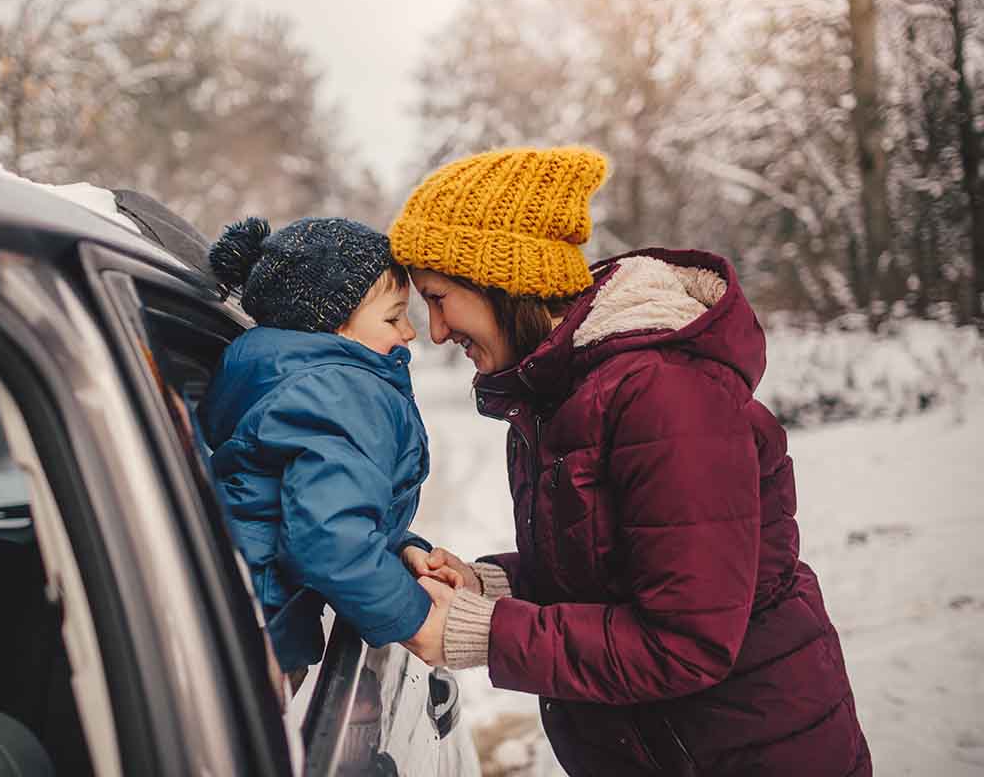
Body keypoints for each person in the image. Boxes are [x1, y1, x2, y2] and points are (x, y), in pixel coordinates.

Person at [390, 148, 872, 776]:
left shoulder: (665, 394)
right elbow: (612, 570)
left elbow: (685, 641)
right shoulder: (554, 397)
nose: (435, 331)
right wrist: (490, 587)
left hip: (744, 751)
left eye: (439, 298)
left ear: (500, 281)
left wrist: (489, 631)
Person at [198, 216, 458, 694]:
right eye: (393, 316)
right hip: (261, 629)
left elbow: (308, 502)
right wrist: (417, 621)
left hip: (245, 607)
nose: (410, 333)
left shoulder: (297, 380)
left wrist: (397, 546)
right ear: (334, 325)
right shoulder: (342, 391)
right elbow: (327, 538)